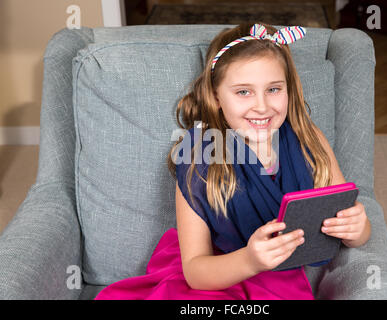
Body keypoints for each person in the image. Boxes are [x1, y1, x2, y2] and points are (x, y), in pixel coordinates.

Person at [95, 22, 371, 300]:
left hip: (278, 281)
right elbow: (195, 270)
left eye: (273, 89)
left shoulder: (310, 140)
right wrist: (250, 260)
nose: (262, 106)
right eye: (243, 92)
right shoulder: (199, 158)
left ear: (289, 89)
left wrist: (357, 230)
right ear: (216, 97)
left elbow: (350, 218)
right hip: (213, 275)